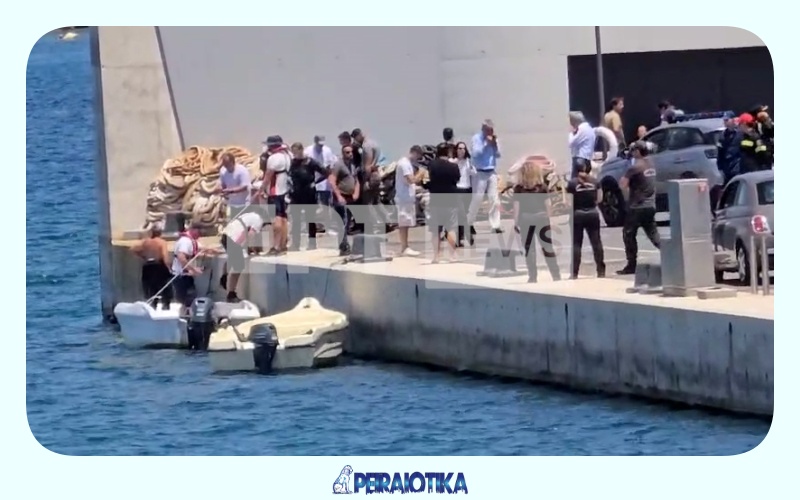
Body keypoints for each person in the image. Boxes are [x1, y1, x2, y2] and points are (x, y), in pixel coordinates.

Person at [512, 160, 561, 283]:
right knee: (547, 247)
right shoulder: (542, 187)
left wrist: (516, 222)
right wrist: (549, 219)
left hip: (525, 219)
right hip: (541, 218)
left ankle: (532, 276)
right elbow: (548, 204)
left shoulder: (518, 188)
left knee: (530, 249)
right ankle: (556, 274)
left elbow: (516, 207)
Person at [617, 141, 660, 275]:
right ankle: (672, 255)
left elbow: (622, 185)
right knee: (654, 235)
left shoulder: (635, 168)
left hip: (637, 206)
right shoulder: (651, 164)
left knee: (628, 234)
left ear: (637, 151)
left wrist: (627, 199)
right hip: (650, 205)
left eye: (633, 150)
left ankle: (631, 265)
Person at [220, 208, 268, 302]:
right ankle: (231, 294)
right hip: (234, 238)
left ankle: (225, 276)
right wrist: (250, 247)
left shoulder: (249, 215)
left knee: (233, 258)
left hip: (226, 235)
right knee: (238, 266)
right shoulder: (259, 220)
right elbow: (250, 234)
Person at [423, 144, 461, 263]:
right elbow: (457, 179)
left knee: (436, 230)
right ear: (448, 152)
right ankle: (452, 255)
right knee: (451, 228)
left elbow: (427, 181)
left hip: (436, 199)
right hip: (451, 199)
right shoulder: (454, 166)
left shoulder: (432, 165)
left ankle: (436, 256)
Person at [288, 142, 329, 251]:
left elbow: (325, 172)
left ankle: (312, 243)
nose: (294, 154)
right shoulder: (292, 163)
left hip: (309, 193)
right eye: (293, 152)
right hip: (296, 194)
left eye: (296, 152)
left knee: (310, 219)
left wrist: (315, 182)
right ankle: (295, 244)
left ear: (301, 150)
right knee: (296, 220)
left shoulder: (310, 162)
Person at [566, 165, 605, 279]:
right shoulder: (595, 181)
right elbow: (600, 199)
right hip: (592, 213)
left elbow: (568, 202)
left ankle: (574, 273)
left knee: (576, 244)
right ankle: (601, 271)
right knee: (596, 242)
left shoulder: (572, 184)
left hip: (577, 213)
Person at [467, 119, 503, 234]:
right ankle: (469, 223)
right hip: (479, 172)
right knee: (477, 198)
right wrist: (486, 144)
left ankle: (495, 225)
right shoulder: (476, 139)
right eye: (488, 130)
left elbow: (498, 155)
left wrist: (495, 145)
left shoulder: (494, 139)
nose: (491, 132)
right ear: (483, 129)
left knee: (494, 199)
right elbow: (475, 154)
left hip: (491, 171)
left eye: (492, 130)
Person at [328, 144, 361, 256]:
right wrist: (339, 196)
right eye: (347, 152)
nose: (350, 154)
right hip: (341, 196)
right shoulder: (339, 165)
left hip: (350, 197)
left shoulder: (352, 165)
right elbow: (332, 180)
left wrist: (356, 192)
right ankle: (343, 247)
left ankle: (345, 245)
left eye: (351, 152)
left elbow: (356, 180)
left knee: (348, 223)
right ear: (343, 153)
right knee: (342, 222)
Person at [262, 135, 292, 255]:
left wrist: (262, 189)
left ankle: (275, 246)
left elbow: (268, 175)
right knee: (284, 217)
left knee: (276, 219)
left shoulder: (273, 158)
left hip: (275, 190)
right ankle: (283, 245)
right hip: (285, 190)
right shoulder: (287, 156)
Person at [351, 128, 385, 234]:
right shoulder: (374, 143)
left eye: (355, 138)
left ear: (358, 136)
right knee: (377, 201)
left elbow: (367, 165)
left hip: (371, 176)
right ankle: (388, 222)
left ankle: (374, 225)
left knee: (368, 202)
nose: (355, 141)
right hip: (377, 174)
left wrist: (366, 180)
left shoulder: (366, 146)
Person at [131, 225, 172, 309]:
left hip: (148, 265)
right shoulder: (161, 242)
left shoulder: (146, 242)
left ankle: (153, 305)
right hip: (159, 265)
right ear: (160, 233)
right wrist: (169, 267)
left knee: (151, 287)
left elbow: (133, 249)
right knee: (164, 286)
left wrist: (143, 256)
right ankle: (165, 305)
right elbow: (165, 256)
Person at [394, 145, 425, 257]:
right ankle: (404, 247)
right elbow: (411, 180)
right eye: (418, 156)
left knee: (406, 222)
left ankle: (405, 246)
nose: (417, 159)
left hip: (407, 197)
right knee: (403, 222)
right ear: (415, 153)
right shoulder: (404, 164)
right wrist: (421, 173)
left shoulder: (407, 164)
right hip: (403, 198)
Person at [305, 135, 338, 233]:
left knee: (325, 205)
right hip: (311, 183)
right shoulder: (308, 151)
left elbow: (330, 167)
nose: (320, 147)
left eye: (322, 145)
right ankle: (313, 225)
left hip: (324, 183)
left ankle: (326, 226)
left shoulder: (327, 150)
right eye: (319, 145)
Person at [171, 221, 205, 313]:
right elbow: (181, 257)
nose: (200, 235)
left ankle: (187, 313)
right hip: (181, 276)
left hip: (186, 276)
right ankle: (186, 315)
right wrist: (193, 270)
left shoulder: (191, 241)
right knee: (187, 299)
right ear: (194, 230)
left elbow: (203, 249)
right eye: (199, 232)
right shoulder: (185, 242)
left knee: (190, 299)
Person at [454, 141, 476, 247]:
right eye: (459, 148)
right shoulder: (454, 161)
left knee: (465, 214)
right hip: (457, 189)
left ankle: (461, 236)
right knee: (461, 214)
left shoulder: (468, 161)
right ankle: (465, 235)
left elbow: (474, 173)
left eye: (463, 148)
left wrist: (471, 166)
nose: (461, 150)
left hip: (467, 189)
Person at [217, 151, 252, 218]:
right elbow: (223, 184)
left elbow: (244, 187)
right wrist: (221, 190)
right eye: (224, 165)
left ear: (233, 162)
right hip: (232, 203)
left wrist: (230, 191)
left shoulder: (242, 171)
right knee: (232, 221)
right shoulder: (223, 170)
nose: (226, 167)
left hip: (243, 203)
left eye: (228, 164)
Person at [568, 111, 595, 179]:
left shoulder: (582, 129)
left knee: (575, 180)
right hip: (587, 159)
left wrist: (570, 132)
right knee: (583, 181)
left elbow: (571, 142)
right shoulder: (589, 128)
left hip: (580, 158)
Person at [717, 112, 742, 183]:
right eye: (724, 120)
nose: (725, 122)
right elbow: (720, 153)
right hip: (727, 168)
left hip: (738, 166)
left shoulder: (740, 133)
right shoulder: (723, 135)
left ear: (733, 120)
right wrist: (720, 168)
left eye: (727, 120)